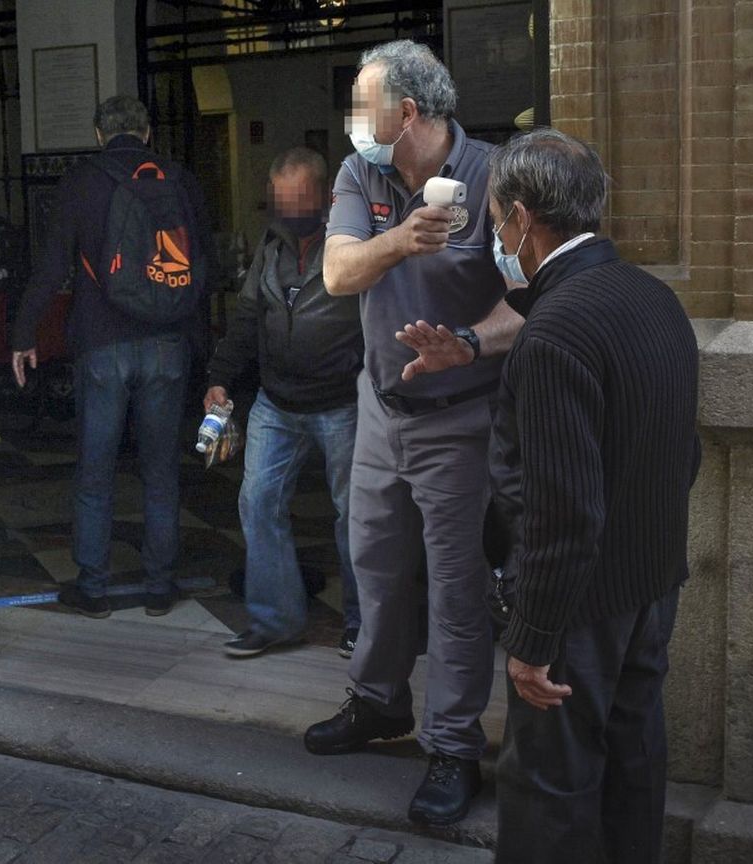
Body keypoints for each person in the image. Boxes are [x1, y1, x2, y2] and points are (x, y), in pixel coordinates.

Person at [300, 40, 527, 826]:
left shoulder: (496, 176)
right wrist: (404, 238)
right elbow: (338, 274)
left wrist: (467, 343)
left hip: (461, 416)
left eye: (362, 106)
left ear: (405, 112)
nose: (352, 121)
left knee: (457, 590)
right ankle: (378, 702)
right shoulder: (360, 174)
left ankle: (454, 745)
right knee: (375, 570)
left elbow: (530, 300)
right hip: (379, 410)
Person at [475, 129, 696, 862]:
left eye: (495, 220)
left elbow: (561, 510)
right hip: (650, 586)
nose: (495, 238)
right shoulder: (656, 297)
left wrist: (533, 639)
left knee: (549, 792)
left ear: (521, 218)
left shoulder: (556, 330)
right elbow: (682, 456)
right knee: (634, 763)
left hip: (578, 604)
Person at [9, 94, 213, 618]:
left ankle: (94, 588)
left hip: (102, 345)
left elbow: (52, 265)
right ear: (147, 132)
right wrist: (204, 349)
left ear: (99, 134)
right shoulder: (179, 180)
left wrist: (24, 333)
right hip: (168, 344)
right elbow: (201, 265)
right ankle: (160, 587)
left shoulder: (82, 182)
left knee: (95, 471)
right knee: (161, 471)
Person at [206, 148, 364, 659]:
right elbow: (247, 317)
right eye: (281, 200)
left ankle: (363, 624)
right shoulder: (271, 245)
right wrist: (220, 379)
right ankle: (274, 621)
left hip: (342, 403)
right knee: (257, 502)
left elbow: (381, 318)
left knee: (355, 515)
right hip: (275, 403)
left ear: (324, 197)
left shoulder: (352, 242)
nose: (289, 210)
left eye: (298, 200)